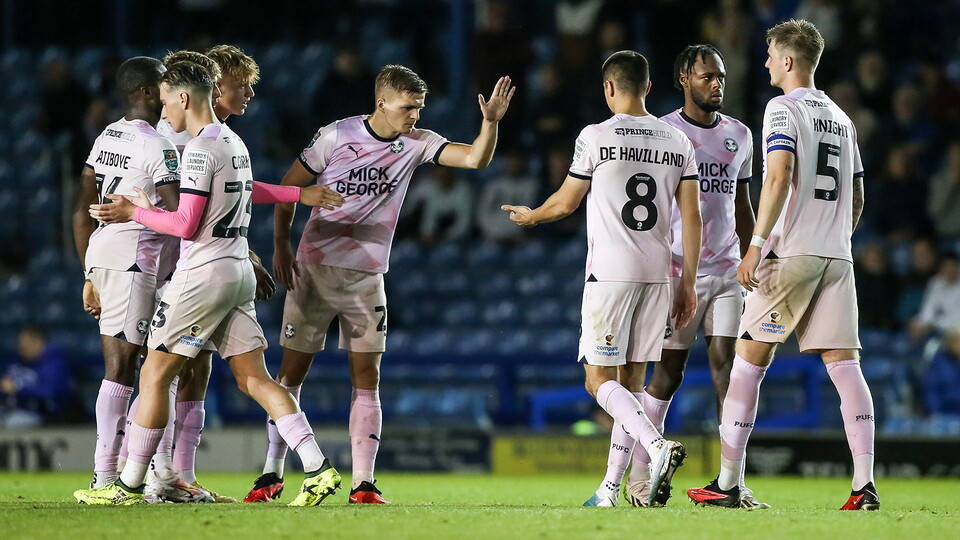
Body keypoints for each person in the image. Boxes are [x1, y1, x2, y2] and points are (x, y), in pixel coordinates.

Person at [73, 60, 344, 506]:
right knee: (254, 378)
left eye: (166, 101)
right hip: (237, 266)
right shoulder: (234, 142)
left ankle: (128, 485)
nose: (163, 110)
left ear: (183, 97)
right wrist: (296, 196)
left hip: (202, 274)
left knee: (154, 373)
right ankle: (318, 468)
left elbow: (184, 222)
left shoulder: (196, 149)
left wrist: (133, 212)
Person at [245, 65, 515, 505]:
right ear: (382, 103)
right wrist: (281, 244)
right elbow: (290, 186)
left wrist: (490, 123)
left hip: (368, 274)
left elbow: (475, 159)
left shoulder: (418, 142)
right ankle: (271, 474)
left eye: (419, 108)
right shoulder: (334, 136)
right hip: (314, 268)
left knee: (366, 379)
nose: (414, 115)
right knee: (290, 375)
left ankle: (363, 484)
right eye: (408, 107)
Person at [687, 19, 879, 511]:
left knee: (747, 365)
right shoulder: (842, 116)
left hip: (790, 253)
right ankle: (864, 486)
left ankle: (728, 483)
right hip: (837, 255)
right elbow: (857, 195)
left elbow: (777, 176)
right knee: (845, 366)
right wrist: (835, 237)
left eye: (771, 54)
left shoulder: (781, 108)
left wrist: (754, 245)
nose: (767, 61)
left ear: (789, 61)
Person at [501, 50, 702, 508]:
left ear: (609, 88)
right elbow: (692, 219)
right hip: (658, 275)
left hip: (611, 274)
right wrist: (686, 281)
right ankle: (611, 489)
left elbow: (567, 202)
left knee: (597, 382)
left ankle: (654, 447)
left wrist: (532, 216)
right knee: (631, 385)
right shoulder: (677, 140)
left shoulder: (595, 136)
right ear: (649, 88)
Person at [593, 44, 764, 509]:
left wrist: (756, 256)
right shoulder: (665, 132)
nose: (717, 84)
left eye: (721, 77)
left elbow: (740, 204)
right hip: (676, 272)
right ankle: (643, 479)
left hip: (728, 272)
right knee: (667, 374)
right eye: (708, 76)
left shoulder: (741, 136)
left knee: (728, 367)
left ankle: (732, 481)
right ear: (684, 79)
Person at [70, 56, 185, 494]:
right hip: (135, 258)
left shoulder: (107, 135)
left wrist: (88, 271)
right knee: (123, 366)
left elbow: (82, 207)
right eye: (164, 84)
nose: (171, 91)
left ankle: (155, 472)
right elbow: (181, 215)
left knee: (152, 366)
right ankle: (105, 476)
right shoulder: (158, 146)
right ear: (150, 92)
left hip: (109, 255)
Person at [1, 326, 70, 428]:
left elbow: (47, 392)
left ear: (38, 342)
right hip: (14, 409)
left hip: (44, 414)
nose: (21, 348)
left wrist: (17, 388)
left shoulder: (54, 363)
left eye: (25, 344)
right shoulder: (18, 362)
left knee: (13, 422)